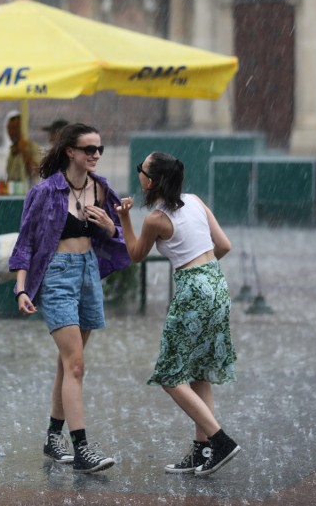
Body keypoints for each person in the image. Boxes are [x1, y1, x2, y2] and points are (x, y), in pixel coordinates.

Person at [9, 122, 130, 474]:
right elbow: (26, 243)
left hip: (88, 273)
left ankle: (52, 436)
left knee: (67, 364)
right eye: (89, 149)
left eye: (99, 150)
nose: (95, 155)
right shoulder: (45, 192)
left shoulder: (101, 188)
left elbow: (119, 234)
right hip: (58, 276)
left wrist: (109, 226)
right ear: (70, 152)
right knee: (75, 364)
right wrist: (21, 287)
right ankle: (82, 449)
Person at [115, 152, 240, 477]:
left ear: (150, 181)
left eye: (140, 169)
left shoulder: (155, 219)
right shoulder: (195, 201)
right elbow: (223, 245)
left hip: (193, 290)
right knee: (199, 371)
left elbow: (135, 254)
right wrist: (203, 267)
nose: (138, 173)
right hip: (216, 283)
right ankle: (203, 451)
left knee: (170, 376)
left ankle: (220, 440)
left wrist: (123, 218)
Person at [4, 110, 41, 188]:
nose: (11, 132)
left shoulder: (32, 147)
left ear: (22, 128)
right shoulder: (12, 151)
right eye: (9, 128)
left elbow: (35, 172)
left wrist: (24, 151)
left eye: (14, 128)